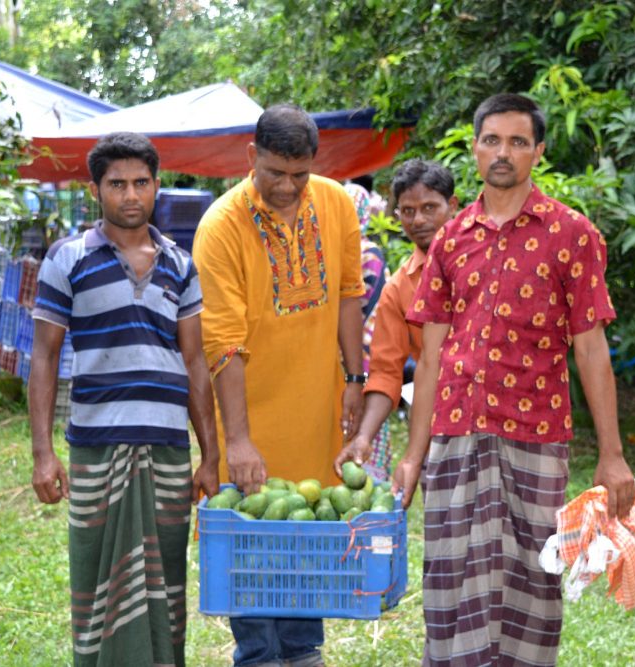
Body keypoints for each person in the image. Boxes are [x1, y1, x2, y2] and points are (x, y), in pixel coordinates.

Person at [395, 93, 635, 666]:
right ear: (475, 148)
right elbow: (429, 359)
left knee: (532, 581)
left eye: (518, 142)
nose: (503, 153)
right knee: (450, 579)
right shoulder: (450, 239)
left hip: (535, 435)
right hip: (455, 437)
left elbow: (590, 348)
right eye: (492, 140)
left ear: (539, 152)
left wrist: (613, 454)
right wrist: (413, 454)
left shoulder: (573, 234)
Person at [28, 132, 219, 667]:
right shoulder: (67, 260)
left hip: (166, 450)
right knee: (93, 578)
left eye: (141, 182)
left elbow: (196, 362)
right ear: (96, 190)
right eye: (117, 184)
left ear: (157, 186)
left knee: (167, 583)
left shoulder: (181, 265)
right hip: (95, 447)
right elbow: (44, 359)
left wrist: (211, 455)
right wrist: (43, 454)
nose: (130, 194)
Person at [192, 104, 365, 667]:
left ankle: (303, 652)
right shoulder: (220, 226)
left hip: (314, 413)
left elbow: (347, 294)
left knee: (304, 536)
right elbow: (222, 341)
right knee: (252, 543)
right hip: (252, 422)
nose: (288, 187)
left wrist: (354, 377)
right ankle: (259, 657)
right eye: (274, 174)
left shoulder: (337, 203)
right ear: (252, 158)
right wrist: (237, 442)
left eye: (299, 174)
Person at [335, 160, 458, 478]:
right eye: (407, 211)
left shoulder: (486, 263)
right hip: (438, 431)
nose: (418, 220)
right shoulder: (399, 288)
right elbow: (385, 373)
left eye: (429, 207)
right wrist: (363, 437)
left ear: (453, 206)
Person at [344, 181, 394, 479]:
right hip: (371, 360)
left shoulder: (362, 254)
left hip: (359, 361)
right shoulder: (370, 252)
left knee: (361, 430)